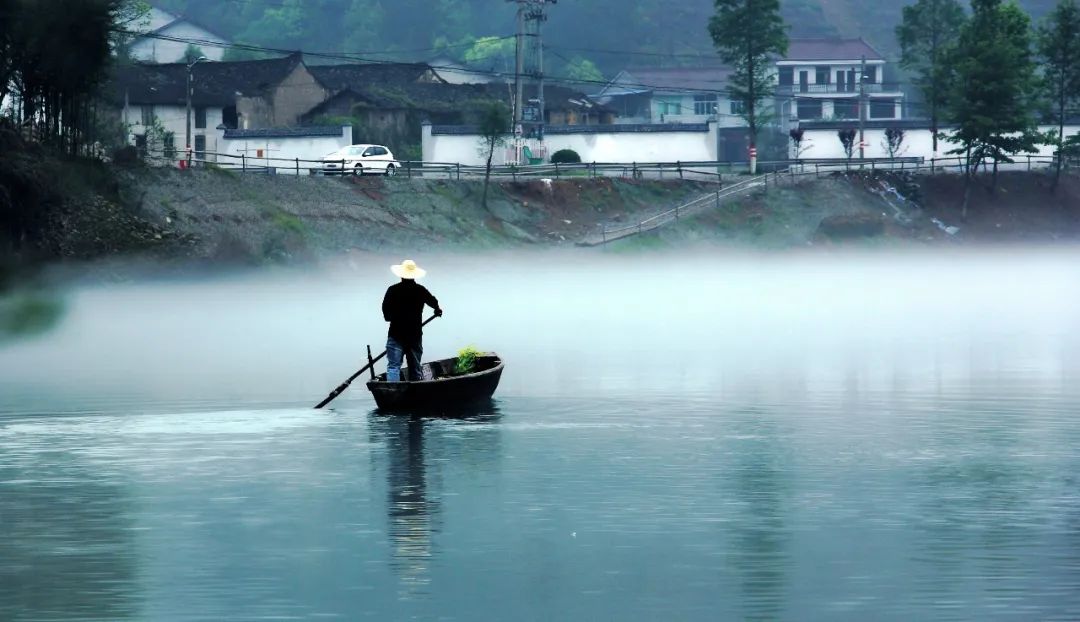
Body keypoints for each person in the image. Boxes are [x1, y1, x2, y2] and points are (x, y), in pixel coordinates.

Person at [382, 259, 442, 382]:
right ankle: (415, 391)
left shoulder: (392, 290)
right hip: (414, 335)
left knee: (393, 367)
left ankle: (394, 392)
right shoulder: (420, 290)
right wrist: (437, 310)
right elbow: (433, 301)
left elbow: (385, 309)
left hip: (396, 334)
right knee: (415, 368)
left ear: (401, 275)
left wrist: (390, 317)